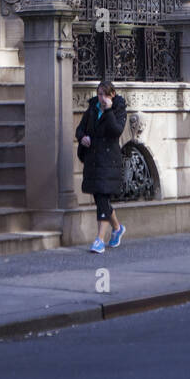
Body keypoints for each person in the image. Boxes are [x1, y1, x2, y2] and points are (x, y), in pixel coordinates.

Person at [76, 80, 127, 253]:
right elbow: (80, 129)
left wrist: (109, 110)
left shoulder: (118, 110)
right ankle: (117, 228)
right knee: (100, 198)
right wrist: (83, 137)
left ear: (112, 95)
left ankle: (99, 239)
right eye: (99, 94)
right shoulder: (92, 109)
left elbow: (116, 131)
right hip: (94, 160)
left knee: (102, 199)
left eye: (105, 94)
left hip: (109, 162)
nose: (102, 98)